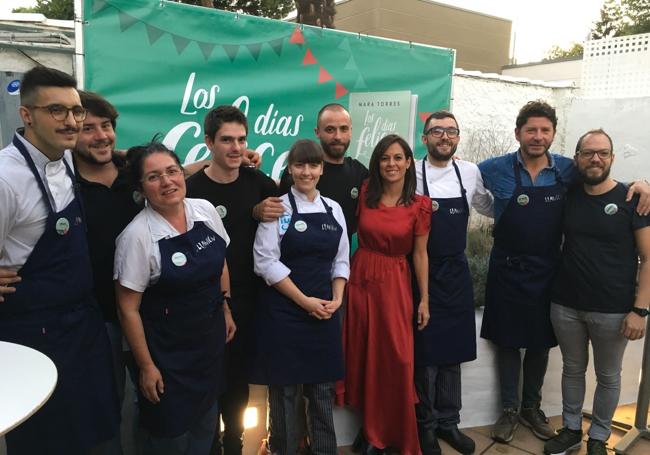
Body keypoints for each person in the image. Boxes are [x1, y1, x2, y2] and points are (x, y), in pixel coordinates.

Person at [479, 100, 650, 445]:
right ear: (518, 133)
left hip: (547, 270)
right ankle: (510, 409)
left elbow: (601, 175)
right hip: (507, 268)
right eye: (531, 130)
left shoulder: (565, 169)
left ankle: (532, 408)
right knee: (507, 344)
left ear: (554, 134)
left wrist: (642, 184)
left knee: (541, 343)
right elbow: (454, 179)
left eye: (545, 130)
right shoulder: (491, 168)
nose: (538, 136)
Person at [0, 66, 120, 453]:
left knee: (92, 435)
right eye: (57, 110)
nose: (71, 122)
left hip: (82, 327)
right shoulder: (6, 178)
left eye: (76, 111)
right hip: (33, 336)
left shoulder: (66, 157)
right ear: (27, 115)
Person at [114, 141, 236, 455]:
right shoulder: (136, 237)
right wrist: (146, 366)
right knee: (170, 437)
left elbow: (220, 262)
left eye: (172, 171)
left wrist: (225, 308)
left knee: (206, 427)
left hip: (208, 344)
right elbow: (128, 309)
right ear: (141, 187)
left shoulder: (205, 210)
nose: (167, 181)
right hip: (167, 357)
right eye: (154, 177)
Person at [544, 129, 650, 455]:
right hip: (566, 305)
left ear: (612, 158)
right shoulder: (570, 194)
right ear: (577, 158)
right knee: (572, 370)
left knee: (608, 376)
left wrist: (640, 310)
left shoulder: (631, 199)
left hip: (613, 310)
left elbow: (648, 258)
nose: (596, 159)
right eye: (589, 153)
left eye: (603, 153)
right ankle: (572, 429)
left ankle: (600, 437)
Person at [185, 105, 280, 455]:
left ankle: (236, 445)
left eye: (241, 139)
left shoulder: (261, 184)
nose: (236, 147)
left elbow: (279, 237)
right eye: (227, 140)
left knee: (239, 383)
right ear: (209, 142)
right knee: (210, 382)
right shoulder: (190, 189)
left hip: (250, 300)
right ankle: (209, 446)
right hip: (203, 302)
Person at [249, 139, 350, 455]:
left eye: (313, 165)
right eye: (300, 165)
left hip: (325, 313)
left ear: (321, 169)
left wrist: (337, 298)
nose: (307, 172)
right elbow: (264, 261)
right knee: (284, 394)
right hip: (285, 313)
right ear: (290, 169)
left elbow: (342, 259)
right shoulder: (279, 207)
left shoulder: (333, 208)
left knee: (321, 392)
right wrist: (305, 301)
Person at [339, 134, 431, 455]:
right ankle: (370, 431)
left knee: (396, 359)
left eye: (397, 158)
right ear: (377, 163)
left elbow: (420, 255)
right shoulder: (365, 193)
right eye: (384, 158)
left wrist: (425, 300)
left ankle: (388, 434)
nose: (391, 164)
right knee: (364, 355)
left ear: (408, 162)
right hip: (360, 279)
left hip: (394, 284)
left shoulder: (419, 206)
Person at [414, 111, 493, 455]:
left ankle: (450, 422)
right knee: (426, 354)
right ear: (425, 138)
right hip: (422, 271)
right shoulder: (410, 172)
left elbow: (489, 206)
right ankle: (426, 425)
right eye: (437, 131)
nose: (444, 137)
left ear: (458, 138)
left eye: (451, 132)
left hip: (457, 272)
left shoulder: (470, 171)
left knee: (454, 354)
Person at [74, 90, 142, 417]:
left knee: (157, 404)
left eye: (106, 126)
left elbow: (175, 173)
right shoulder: (60, 183)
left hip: (149, 313)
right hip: (96, 320)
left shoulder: (133, 171)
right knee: (107, 408)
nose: (102, 136)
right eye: (89, 128)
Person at [280, 103, 369, 242]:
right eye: (330, 129)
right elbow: (277, 210)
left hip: (341, 260)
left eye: (344, 129)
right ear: (317, 132)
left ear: (351, 131)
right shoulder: (300, 172)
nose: (338, 136)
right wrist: (259, 210)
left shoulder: (359, 172)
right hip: (296, 259)